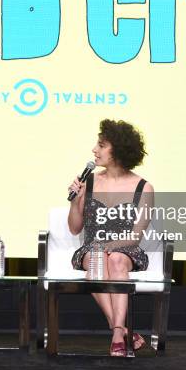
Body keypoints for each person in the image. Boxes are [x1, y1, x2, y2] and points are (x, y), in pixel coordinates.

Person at [67, 119, 153, 357]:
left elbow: (136, 236)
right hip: (92, 249)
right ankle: (120, 330)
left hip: (126, 249)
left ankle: (117, 332)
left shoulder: (143, 187)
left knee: (115, 259)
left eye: (101, 145)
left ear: (119, 149)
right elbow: (75, 228)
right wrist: (76, 201)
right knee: (95, 261)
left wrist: (108, 247)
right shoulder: (89, 181)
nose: (95, 150)